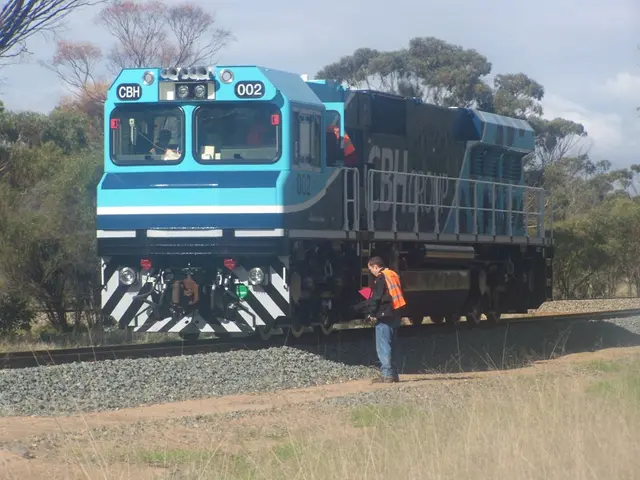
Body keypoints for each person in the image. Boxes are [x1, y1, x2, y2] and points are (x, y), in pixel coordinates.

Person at [364, 256, 407, 383]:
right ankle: (393, 374)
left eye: (371, 269)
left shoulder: (381, 277)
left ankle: (387, 374)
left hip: (385, 314)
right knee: (392, 344)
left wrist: (371, 312)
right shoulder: (393, 274)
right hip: (396, 311)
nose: (371, 272)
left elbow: (377, 297)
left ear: (376, 267)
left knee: (383, 344)